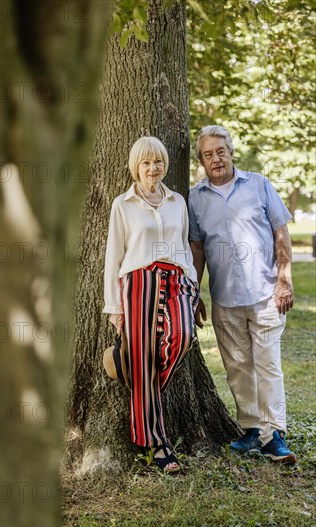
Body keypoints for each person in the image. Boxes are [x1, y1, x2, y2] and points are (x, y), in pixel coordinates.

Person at [188, 125, 296, 464]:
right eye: (208, 154)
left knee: (268, 365)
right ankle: (251, 429)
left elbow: (281, 233)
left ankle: (274, 434)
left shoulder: (260, 185)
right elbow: (197, 248)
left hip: (265, 293)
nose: (216, 159)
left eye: (221, 151)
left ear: (231, 151)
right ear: (201, 161)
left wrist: (285, 280)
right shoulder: (195, 198)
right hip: (224, 296)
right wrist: (195, 292)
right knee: (237, 366)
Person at [103, 136, 199, 473]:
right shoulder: (123, 204)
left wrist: (192, 283)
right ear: (136, 167)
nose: (152, 169)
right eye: (146, 163)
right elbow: (113, 257)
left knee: (183, 336)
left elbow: (184, 246)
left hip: (176, 279)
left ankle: (144, 392)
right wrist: (115, 307)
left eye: (157, 162)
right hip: (138, 282)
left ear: (164, 165)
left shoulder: (177, 201)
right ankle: (158, 445)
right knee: (141, 358)